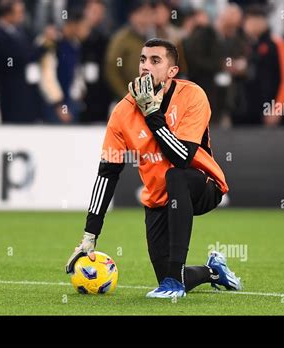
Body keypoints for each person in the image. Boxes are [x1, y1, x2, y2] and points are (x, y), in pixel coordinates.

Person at [66, 38, 242, 298]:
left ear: (172, 71)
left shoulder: (193, 95)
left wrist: (151, 113)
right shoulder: (122, 113)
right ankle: (212, 271)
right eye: (142, 60)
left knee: (176, 175)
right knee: (169, 272)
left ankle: (174, 283)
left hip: (203, 186)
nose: (145, 66)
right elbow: (107, 174)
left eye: (155, 60)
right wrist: (90, 234)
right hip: (159, 198)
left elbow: (182, 157)